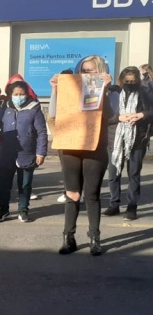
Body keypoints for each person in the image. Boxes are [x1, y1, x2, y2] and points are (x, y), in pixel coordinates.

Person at [48, 55, 112, 256]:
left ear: (100, 70)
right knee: (72, 194)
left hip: (95, 147)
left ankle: (94, 238)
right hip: (70, 146)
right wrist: (55, 89)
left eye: (90, 70)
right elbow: (53, 114)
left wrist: (106, 89)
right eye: (83, 70)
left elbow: (111, 116)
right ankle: (69, 238)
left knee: (92, 195)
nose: (86, 74)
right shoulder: (72, 89)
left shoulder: (110, 89)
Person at [0, 81, 48, 223]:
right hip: (6, 153)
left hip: (27, 154)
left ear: (27, 94)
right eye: (16, 94)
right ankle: (4, 210)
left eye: (22, 94)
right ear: (11, 95)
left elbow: (42, 132)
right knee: (4, 184)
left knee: (25, 184)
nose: (19, 97)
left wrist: (41, 153)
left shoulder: (34, 109)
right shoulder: (6, 107)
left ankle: (23, 210)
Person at [104, 66, 153, 220]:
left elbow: (151, 112)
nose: (130, 83)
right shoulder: (113, 93)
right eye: (127, 81)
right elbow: (104, 116)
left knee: (133, 174)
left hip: (137, 138)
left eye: (133, 81)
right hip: (115, 138)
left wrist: (141, 114)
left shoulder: (145, 93)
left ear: (138, 80)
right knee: (114, 174)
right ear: (121, 80)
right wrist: (119, 118)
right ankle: (114, 204)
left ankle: (132, 206)